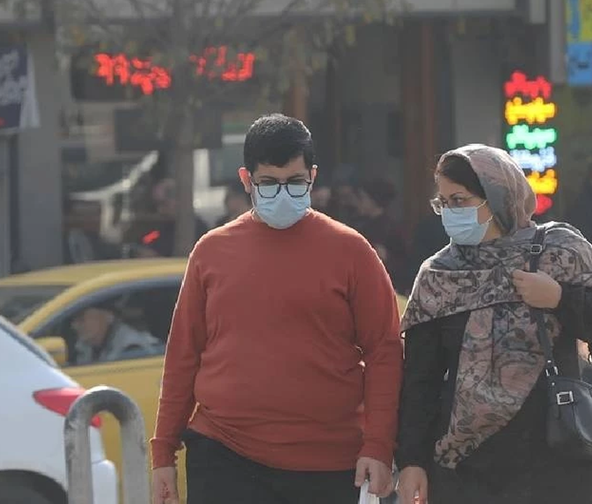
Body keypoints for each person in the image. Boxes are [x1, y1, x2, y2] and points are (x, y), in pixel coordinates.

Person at [151, 114, 403, 504]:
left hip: (328, 463)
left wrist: (378, 445)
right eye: (268, 183)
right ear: (246, 180)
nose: (283, 193)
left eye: (295, 182)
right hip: (224, 453)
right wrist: (163, 452)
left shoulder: (352, 252)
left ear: (313, 177)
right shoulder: (211, 252)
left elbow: (385, 351)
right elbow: (183, 354)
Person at [396, 144, 592, 504]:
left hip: (556, 460)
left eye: (459, 200)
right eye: (442, 203)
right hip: (466, 468)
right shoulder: (438, 275)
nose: (449, 212)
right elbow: (419, 379)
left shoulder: (558, 250)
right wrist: (411, 461)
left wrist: (559, 298)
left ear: (498, 197)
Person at [356, 177, 408, 291]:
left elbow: (405, 265)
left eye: (363, 198)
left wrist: (387, 257)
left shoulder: (392, 228)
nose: (359, 202)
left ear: (373, 200)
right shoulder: (360, 225)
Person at [72, 304, 161, 365]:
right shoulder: (85, 346)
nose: (75, 325)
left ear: (108, 316)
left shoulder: (131, 348)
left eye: (82, 318)